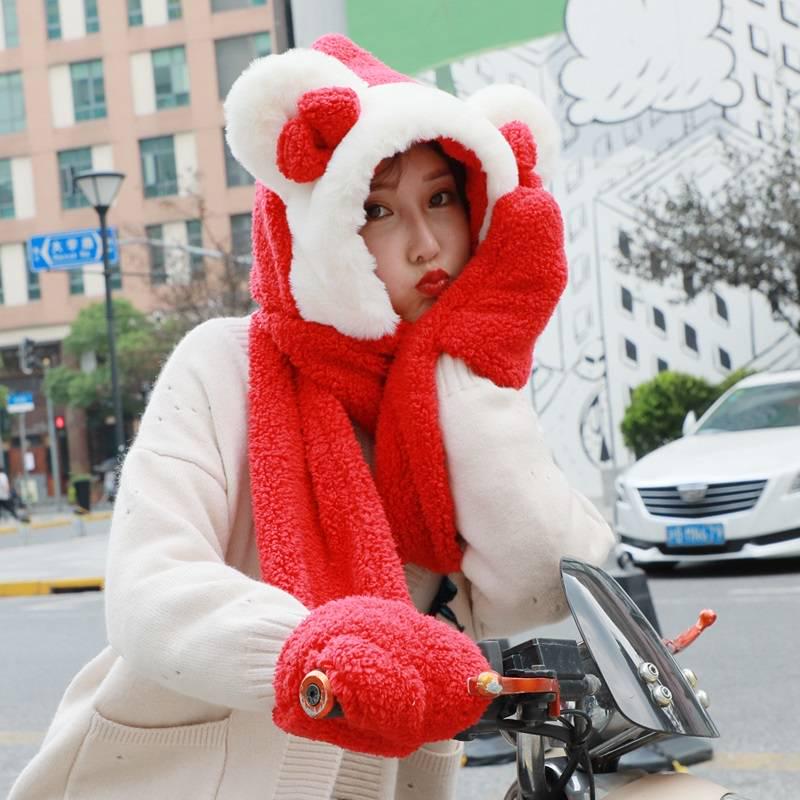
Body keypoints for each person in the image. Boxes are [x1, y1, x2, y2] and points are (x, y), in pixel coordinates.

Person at [9, 36, 614, 800]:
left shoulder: (453, 399)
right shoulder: (221, 364)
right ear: (315, 226)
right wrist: (318, 653)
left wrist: (469, 362)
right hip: (178, 781)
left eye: (441, 199)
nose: (426, 243)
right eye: (376, 210)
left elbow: (534, 585)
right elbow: (149, 589)